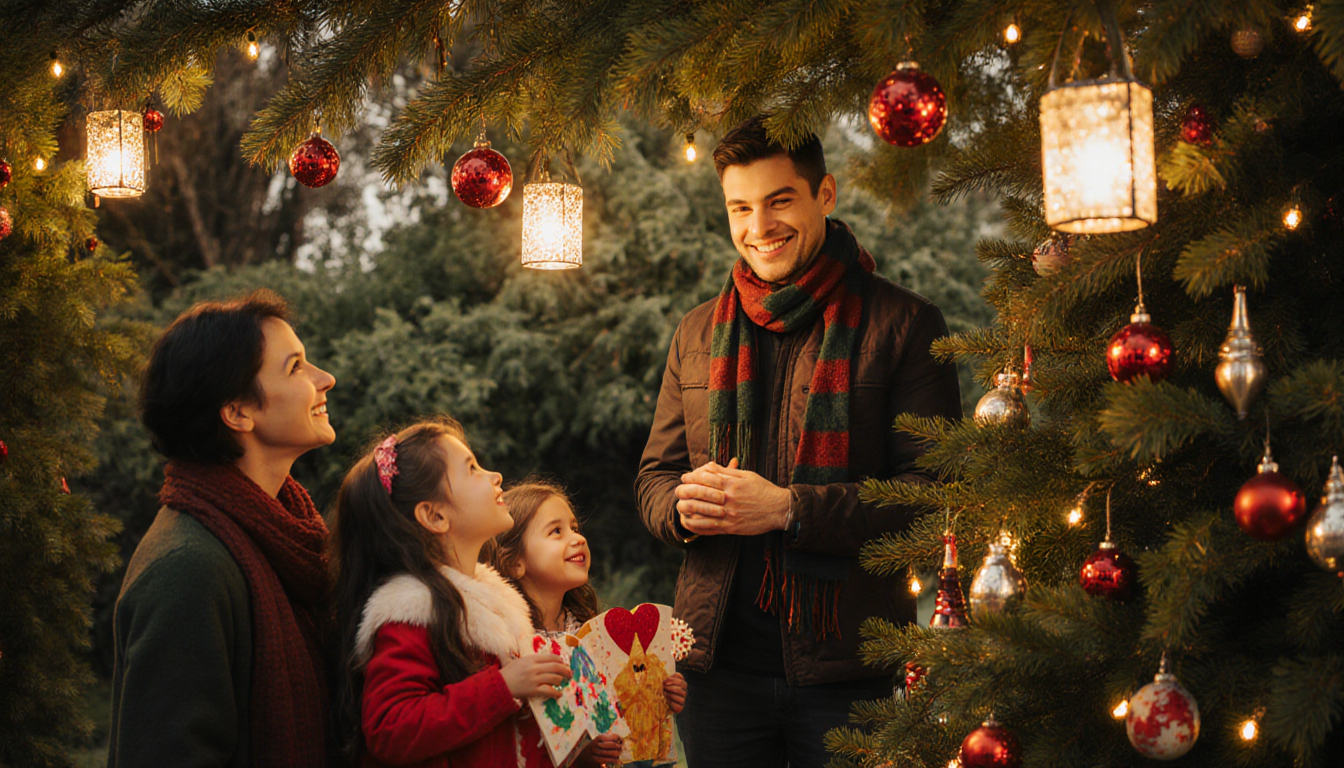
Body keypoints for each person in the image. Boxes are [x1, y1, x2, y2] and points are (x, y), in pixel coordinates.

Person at [635, 115, 963, 766]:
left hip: (850, 669)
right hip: (714, 666)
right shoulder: (697, 333)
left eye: (780, 200)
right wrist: (681, 510)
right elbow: (653, 478)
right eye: (741, 207)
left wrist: (788, 510)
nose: (760, 227)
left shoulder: (906, 324)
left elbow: (936, 497)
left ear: (826, 195)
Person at [109, 290, 338, 768]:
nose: (325, 379)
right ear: (237, 412)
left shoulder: (288, 540)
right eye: (295, 367)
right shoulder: (188, 568)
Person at [329, 418, 572, 768]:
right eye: (472, 469)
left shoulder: (499, 604)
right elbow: (390, 727)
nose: (495, 476)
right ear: (435, 516)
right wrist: (502, 687)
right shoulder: (412, 613)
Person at [485, 479, 689, 766]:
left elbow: (619, 717)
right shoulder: (504, 643)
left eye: (575, 528)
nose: (577, 538)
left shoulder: (594, 637)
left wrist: (660, 696)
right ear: (514, 562)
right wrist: (580, 754)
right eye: (556, 531)